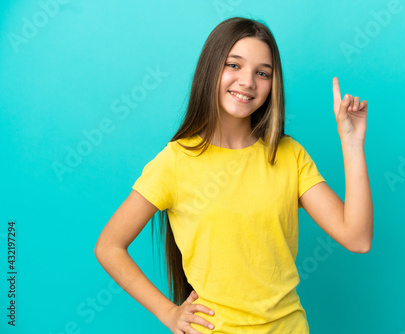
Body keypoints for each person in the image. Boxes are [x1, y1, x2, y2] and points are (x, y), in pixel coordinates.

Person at [94, 16, 372, 334]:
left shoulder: (288, 155)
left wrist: (352, 143)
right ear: (211, 68)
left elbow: (357, 238)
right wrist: (169, 313)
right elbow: (109, 246)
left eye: (262, 73)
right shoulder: (176, 161)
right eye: (234, 65)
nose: (248, 82)